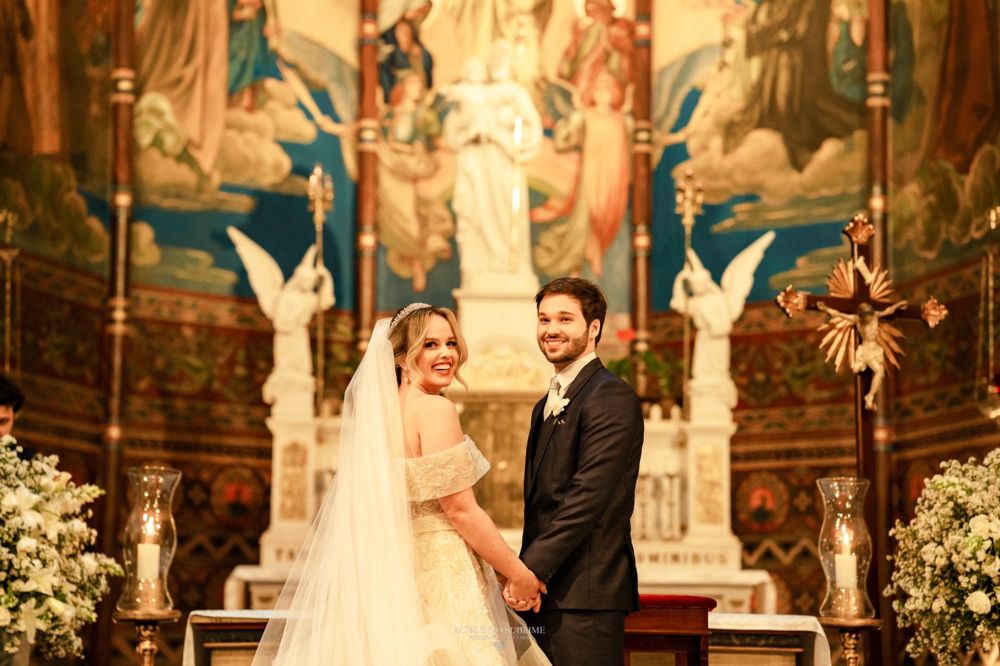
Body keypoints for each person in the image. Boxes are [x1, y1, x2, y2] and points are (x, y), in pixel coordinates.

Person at [253, 304, 551, 665]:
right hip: (440, 570)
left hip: (388, 575)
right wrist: (518, 573)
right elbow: (460, 510)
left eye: (451, 343)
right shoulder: (434, 409)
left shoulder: (378, 417)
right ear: (401, 357)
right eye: (429, 345)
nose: (446, 354)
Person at [511, 277, 644, 665]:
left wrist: (527, 570)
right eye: (544, 319)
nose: (551, 329)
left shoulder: (610, 396)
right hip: (548, 595)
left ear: (594, 327)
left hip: (587, 595)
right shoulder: (545, 404)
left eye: (565, 319)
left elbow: (586, 499)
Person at [444, 41, 541, 289]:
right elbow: (454, 127)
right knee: (478, 210)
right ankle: (480, 265)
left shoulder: (516, 93)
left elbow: (532, 129)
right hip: (477, 159)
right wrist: (469, 132)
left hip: (504, 160)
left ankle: (508, 266)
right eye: (494, 59)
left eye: (502, 59)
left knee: (505, 211)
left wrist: (502, 135)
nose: (497, 64)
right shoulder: (476, 92)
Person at [817, 299, 907, 411]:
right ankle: (868, 393)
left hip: (876, 348)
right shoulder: (857, 319)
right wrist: (825, 308)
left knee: (879, 370)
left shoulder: (875, 316)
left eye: (870, 315)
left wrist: (899, 304)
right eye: (866, 316)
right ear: (862, 316)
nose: (869, 318)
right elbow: (839, 314)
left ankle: (870, 396)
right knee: (871, 370)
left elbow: (888, 311)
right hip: (866, 349)